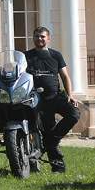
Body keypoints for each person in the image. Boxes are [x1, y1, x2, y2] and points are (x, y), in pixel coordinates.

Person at [24, 26, 78, 173]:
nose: (39, 39)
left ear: (48, 38)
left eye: (42, 36)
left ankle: (51, 141)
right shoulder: (26, 56)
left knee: (74, 114)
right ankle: (58, 168)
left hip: (56, 96)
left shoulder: (56, 55)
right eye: (36, 36)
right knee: (47, 131)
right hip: (37, 100)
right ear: (33, 38)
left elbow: (65, 77)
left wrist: (70, 94)